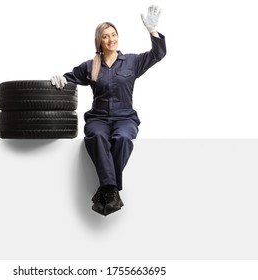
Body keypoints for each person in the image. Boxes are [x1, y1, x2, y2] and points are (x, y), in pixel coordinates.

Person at [51, 5, 166, 216]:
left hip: (125, 118)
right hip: (98, 118)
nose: (111, 39)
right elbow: (69, 78)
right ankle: (112, 191)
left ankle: (106, 189)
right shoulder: (90, 66)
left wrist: (152, 30)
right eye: (106, 36)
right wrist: (59, 79)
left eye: (114, 35)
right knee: (96, 136)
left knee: (122, 138)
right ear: (99, 41)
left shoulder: (132, 62)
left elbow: (158, 53)